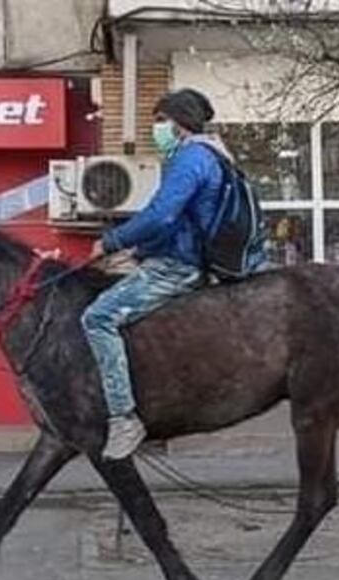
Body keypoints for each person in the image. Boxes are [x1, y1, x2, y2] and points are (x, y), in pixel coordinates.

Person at [82, 88, 228, 460]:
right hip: (176, 257)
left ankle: (124, 417)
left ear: (179, 123)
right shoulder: (206, 155)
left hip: (177, 268)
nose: (156, 129)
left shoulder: (191, 158)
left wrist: (111, 242)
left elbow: (161, 215)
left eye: (161, 121)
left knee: (98, 317)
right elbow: (174, 223)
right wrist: (137, 250)